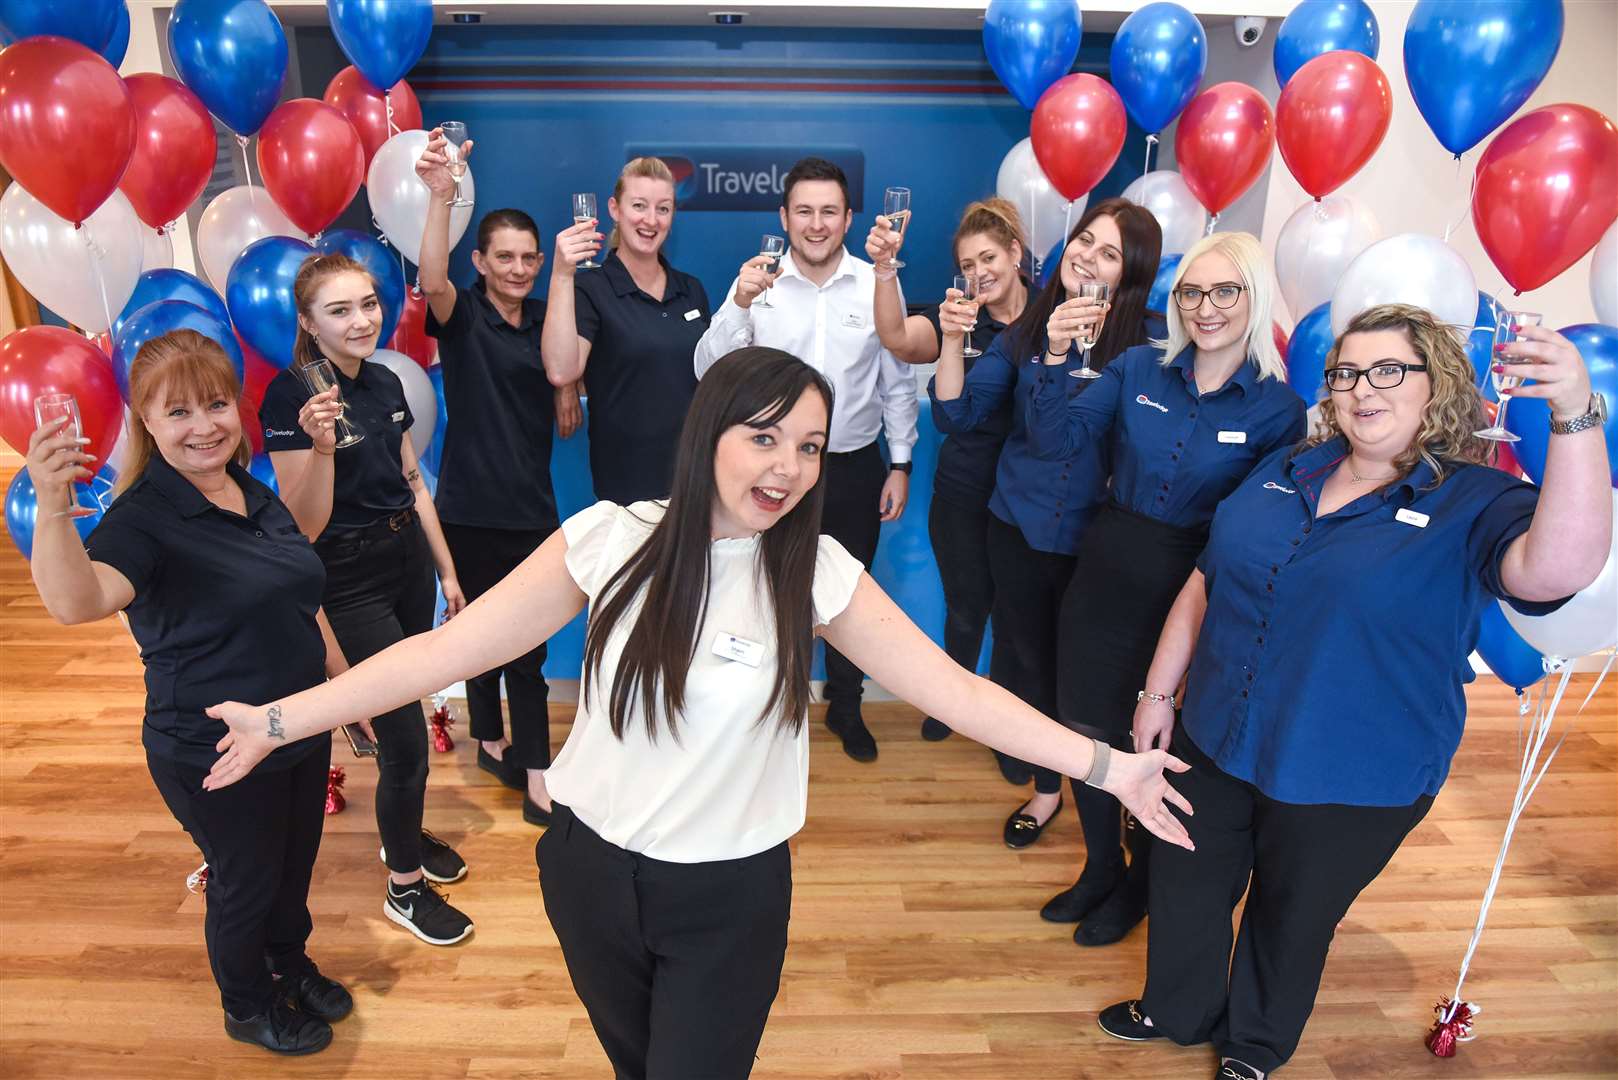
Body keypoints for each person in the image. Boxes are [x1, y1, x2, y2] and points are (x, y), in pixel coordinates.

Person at [202, 347, 1197, 1080]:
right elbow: (439, 653)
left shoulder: (812, 570)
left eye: (807, 445)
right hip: (587, 870)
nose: (788, 467)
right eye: (763, 437)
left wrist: (1110, 768)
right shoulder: (609, 539)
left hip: (727, 897)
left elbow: (961, 692)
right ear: (707, 434)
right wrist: (280, 720)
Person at [1097, 304, 1611, 1080]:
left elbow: (1559, 570)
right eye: (1347, 373)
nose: (1363, 390)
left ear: (1434, 382)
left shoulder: (1473, 501)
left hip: (1353, 774)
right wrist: (1158, 693)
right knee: (1185, 880)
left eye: (1388, 371)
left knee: (1293, 916)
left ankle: (1254, 1044)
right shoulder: (1290, 466)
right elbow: (1209, 576)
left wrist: (1574, 413)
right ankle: (1175, 1008)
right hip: (1217, 731)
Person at [24, 329, 352, 1054]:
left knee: (293, 868)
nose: (203, 426)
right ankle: (247, 1002)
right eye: (178, 413)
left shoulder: (242, 484)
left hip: (291, 723)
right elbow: (80, 602)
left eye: (215, 404)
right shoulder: (143, 520)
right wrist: (51, 509)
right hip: (212, 745)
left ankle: (288, 965)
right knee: (247, 882)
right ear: (145, 421)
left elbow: (300, 537)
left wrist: (322, 452)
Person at [1024, 232, 1307, 947]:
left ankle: (1141, 886)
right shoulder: (1137, 368)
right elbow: (1056, 441)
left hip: (1197, 589)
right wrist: (1054, 359)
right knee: (1084, 729)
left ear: (1254, 298)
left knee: (1158, 741)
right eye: (1191, 293)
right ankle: (1099, 868)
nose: (1206, 308)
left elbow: (1256, 533)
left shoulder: (1279, 411)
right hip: (1107, 567)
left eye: (1224, 292)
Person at [932, 199, 1163, 845]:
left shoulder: (1149, 342)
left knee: (1093, 679)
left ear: (1130, 274)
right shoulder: (1029, 329)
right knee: (1026, 663)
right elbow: (957, 416)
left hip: (1098, 543)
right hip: (1019, 528)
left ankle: (1111, 798)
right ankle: (1043, 792)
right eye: (1085, 240)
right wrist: (954, 341)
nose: (1087, 255)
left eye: (1109, 252)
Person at [258, 253, 473, 947]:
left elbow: (412, 482)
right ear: (308, 324)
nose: (362, 320)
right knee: (405, 740)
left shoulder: (382, 380)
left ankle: (400, 833)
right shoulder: (292, 397)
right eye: (340, 310)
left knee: (402, 730)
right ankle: (404, 890)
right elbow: (301, 526)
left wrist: (445, 572)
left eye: (369, 304)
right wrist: (320, 447)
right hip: (346, 577)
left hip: (406, 557)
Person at [693, 157, 918, 763]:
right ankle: (774, 709)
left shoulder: (877, 283)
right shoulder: (758, 285)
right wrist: (737, 305)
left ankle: (846, 707)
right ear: (783, 217)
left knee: (849, 596)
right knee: (769, 588)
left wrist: (900, 462)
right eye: (803, 212)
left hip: (853, 465)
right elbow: (709, 372)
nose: (816, 224)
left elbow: (897, 380)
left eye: (828, 212)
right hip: (773, 473)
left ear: (848, 218)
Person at [416, 130, 578, 825]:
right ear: (479, 261)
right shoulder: (463, 315)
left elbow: (563, 367)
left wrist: (569, 390)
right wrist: (440, 199)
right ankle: (494, 743)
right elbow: (430, 279)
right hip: (468, 508)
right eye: (501, 257)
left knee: (529, 654)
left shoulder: (547, 315)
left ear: (541, 262)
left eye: (526, 258)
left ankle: (532, 768)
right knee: (479, 637)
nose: (516, 268)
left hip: (532, 509)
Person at [866, 196, 1033, 741]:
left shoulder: (1052, 319)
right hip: (963, 495)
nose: (979, 273)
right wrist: (886, 269)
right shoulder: (958, 319)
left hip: (1029, 503)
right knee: (966, 611)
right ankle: (954, 705)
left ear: (1014, 252)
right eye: (967, 265)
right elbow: (894, 336)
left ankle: (1009, 730)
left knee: (1016, 618)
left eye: (987, 258)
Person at [541, 155, 712, 503]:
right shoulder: (592, 288)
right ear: (615, 209)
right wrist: (561, 274)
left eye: (663, 209)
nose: (651, 220)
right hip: (626, 487)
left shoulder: (691, 289)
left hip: (694, 481)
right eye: (639, 206)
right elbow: (561, 370)